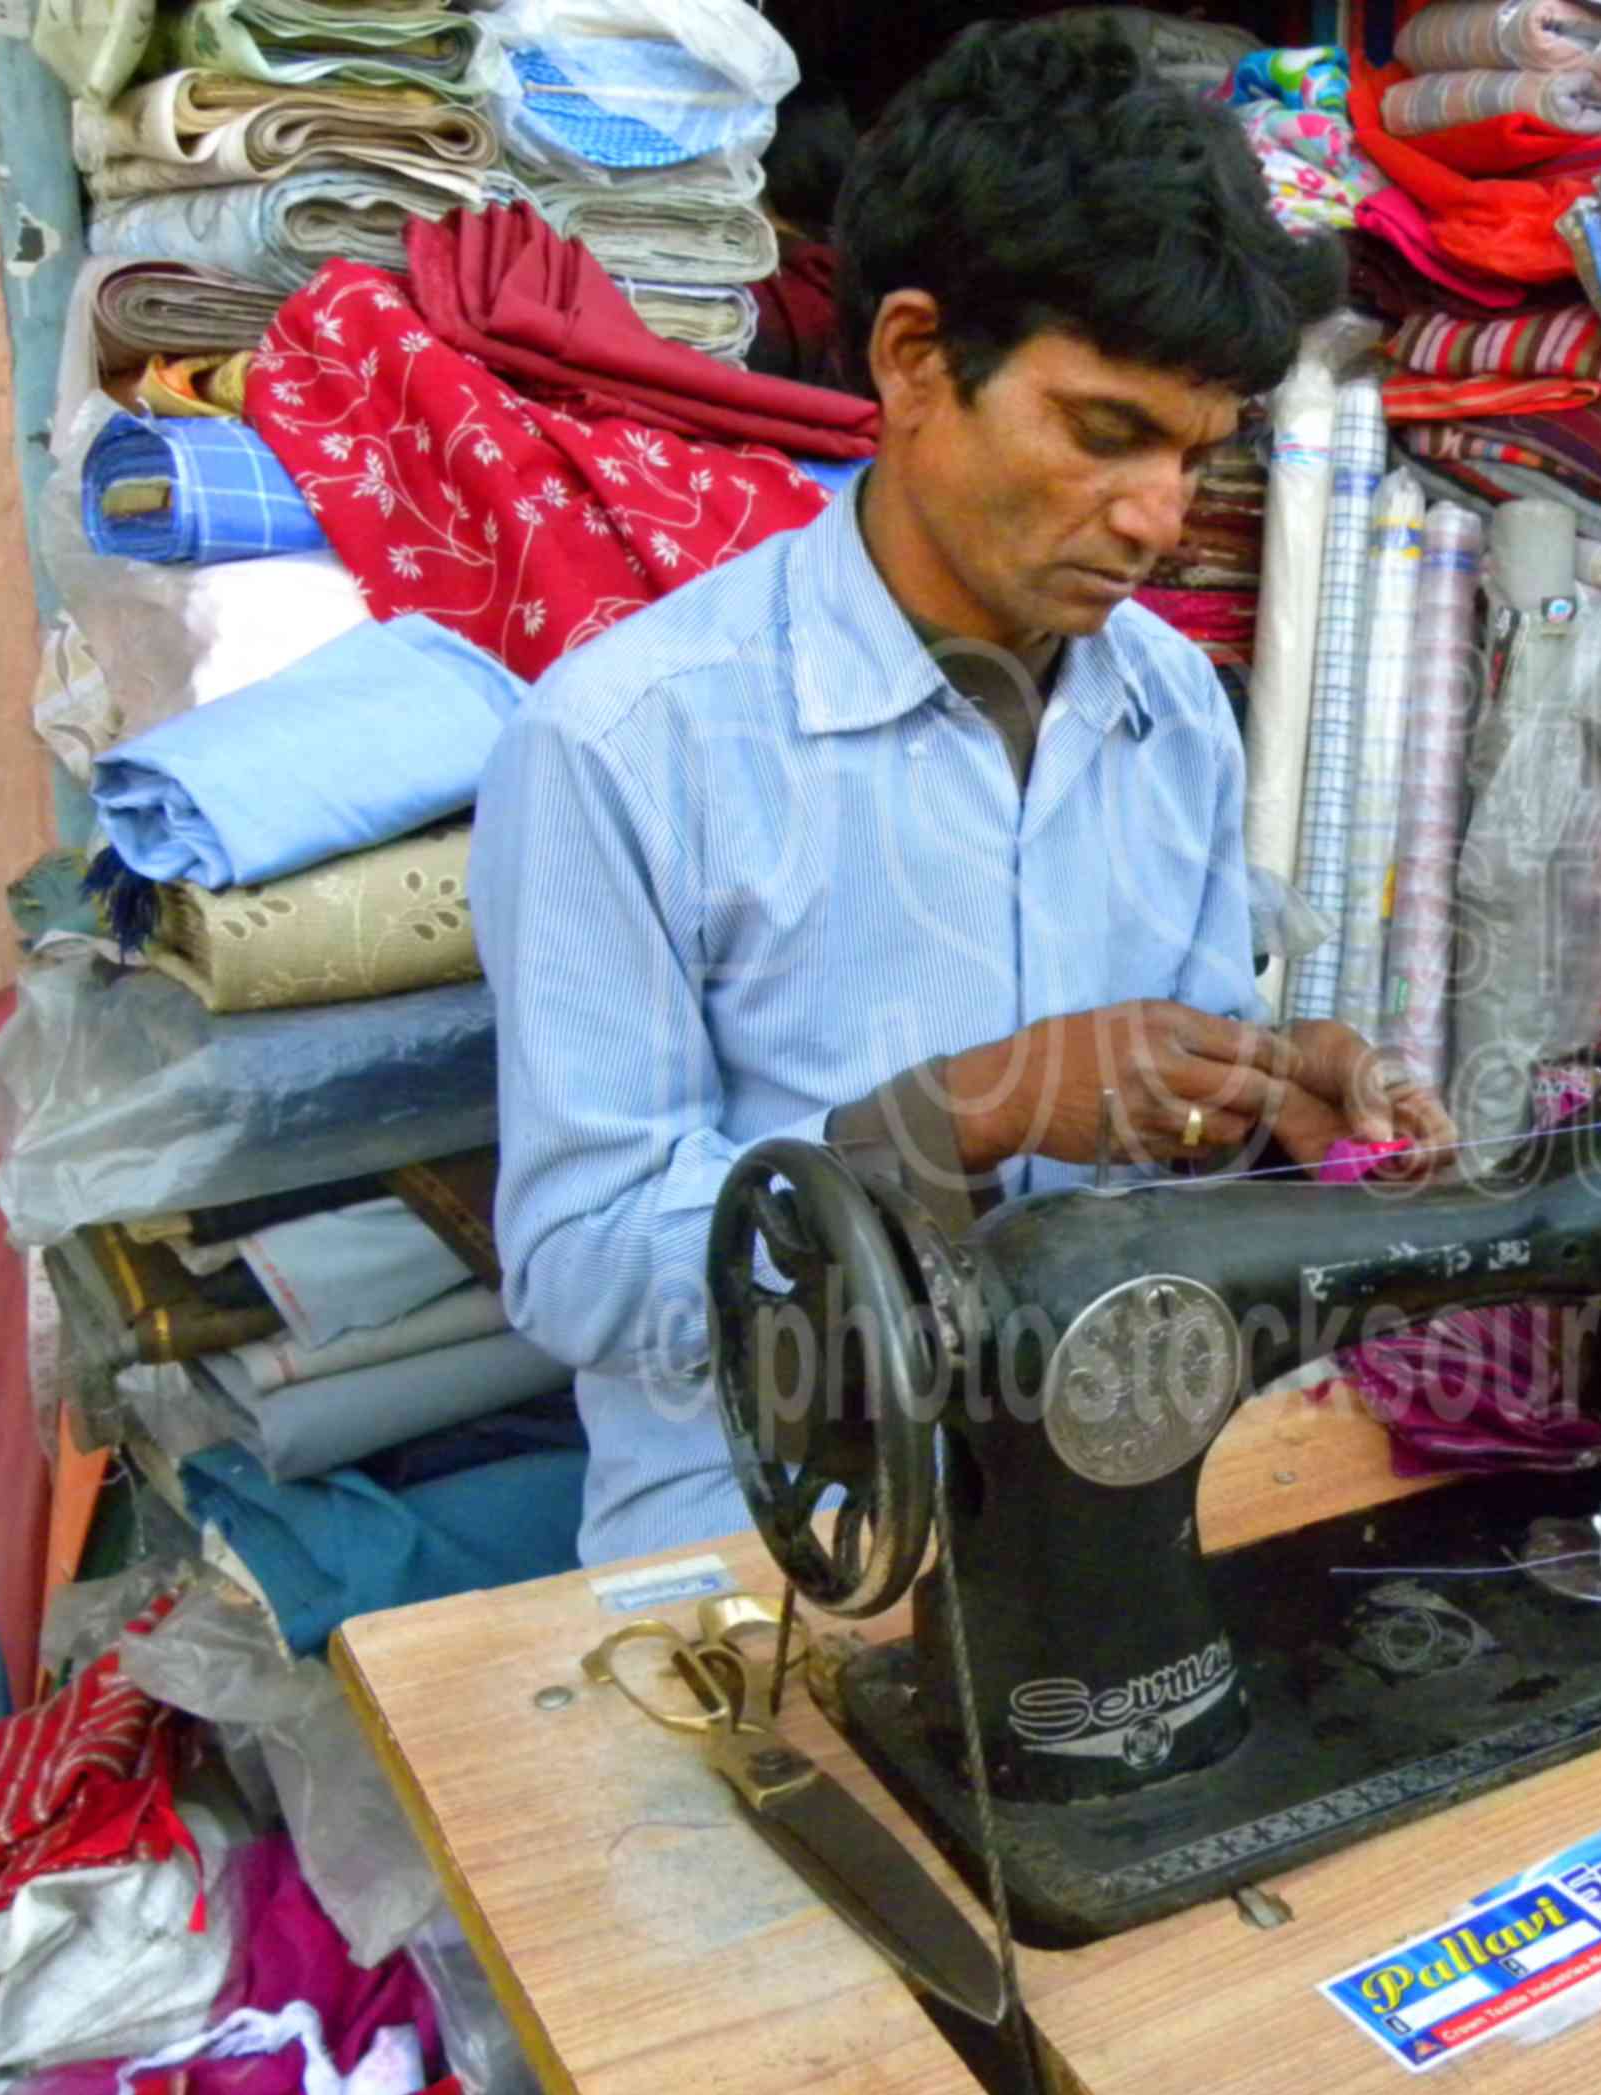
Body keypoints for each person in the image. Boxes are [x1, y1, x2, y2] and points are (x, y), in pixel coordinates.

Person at [471, 21, 1450, 1565]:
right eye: (1105, 433)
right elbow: (584, 1275)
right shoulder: (628, 743)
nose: (1158, 520)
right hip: (779, 1528)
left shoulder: (1171, 710)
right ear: (916, 360)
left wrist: (1272, 1110)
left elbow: (1166, 1175)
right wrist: (952, 1121)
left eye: (1200, 456)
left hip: (1114, 1474)